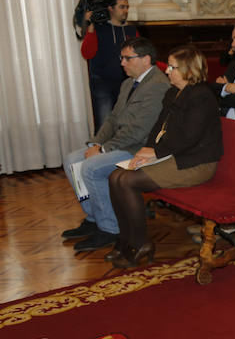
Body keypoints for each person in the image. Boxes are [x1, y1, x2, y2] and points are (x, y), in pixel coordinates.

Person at [106, 46, 224, 268]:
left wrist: (156, 153)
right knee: (115, 177)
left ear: (189, 69)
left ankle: (141, 243)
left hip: (196, 163)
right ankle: (126, 239)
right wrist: (146, 150)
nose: (167, 71)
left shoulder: (201, 96)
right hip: (174, 156)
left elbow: (189, 138)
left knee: (128, 181)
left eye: (172, 67)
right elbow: (158, 127)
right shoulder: (173, 92)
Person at [62, 37, 170, 252]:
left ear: (146, 59)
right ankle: (93, 218)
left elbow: (138, 131)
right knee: (72, 160)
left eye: (127, 58)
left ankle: (110, 229)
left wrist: (102, 150)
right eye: (122, 58)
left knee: (91, 167)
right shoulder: (129, 83)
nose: (122, 63)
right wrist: (96, 142)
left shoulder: (158, 86)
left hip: (140, 149)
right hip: (121, 144)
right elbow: (112, 119)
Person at [80, 0, 138, 128]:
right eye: (122, 7)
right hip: (102, 83)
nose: (126, 11)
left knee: (126, 124)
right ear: (111, 9)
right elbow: (87, 53)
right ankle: (100, 149)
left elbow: (141, 55)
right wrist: (90, 26)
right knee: (104, 124)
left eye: (127, 7)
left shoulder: (131, 30)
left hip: (126, 83)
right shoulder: (98, 28)